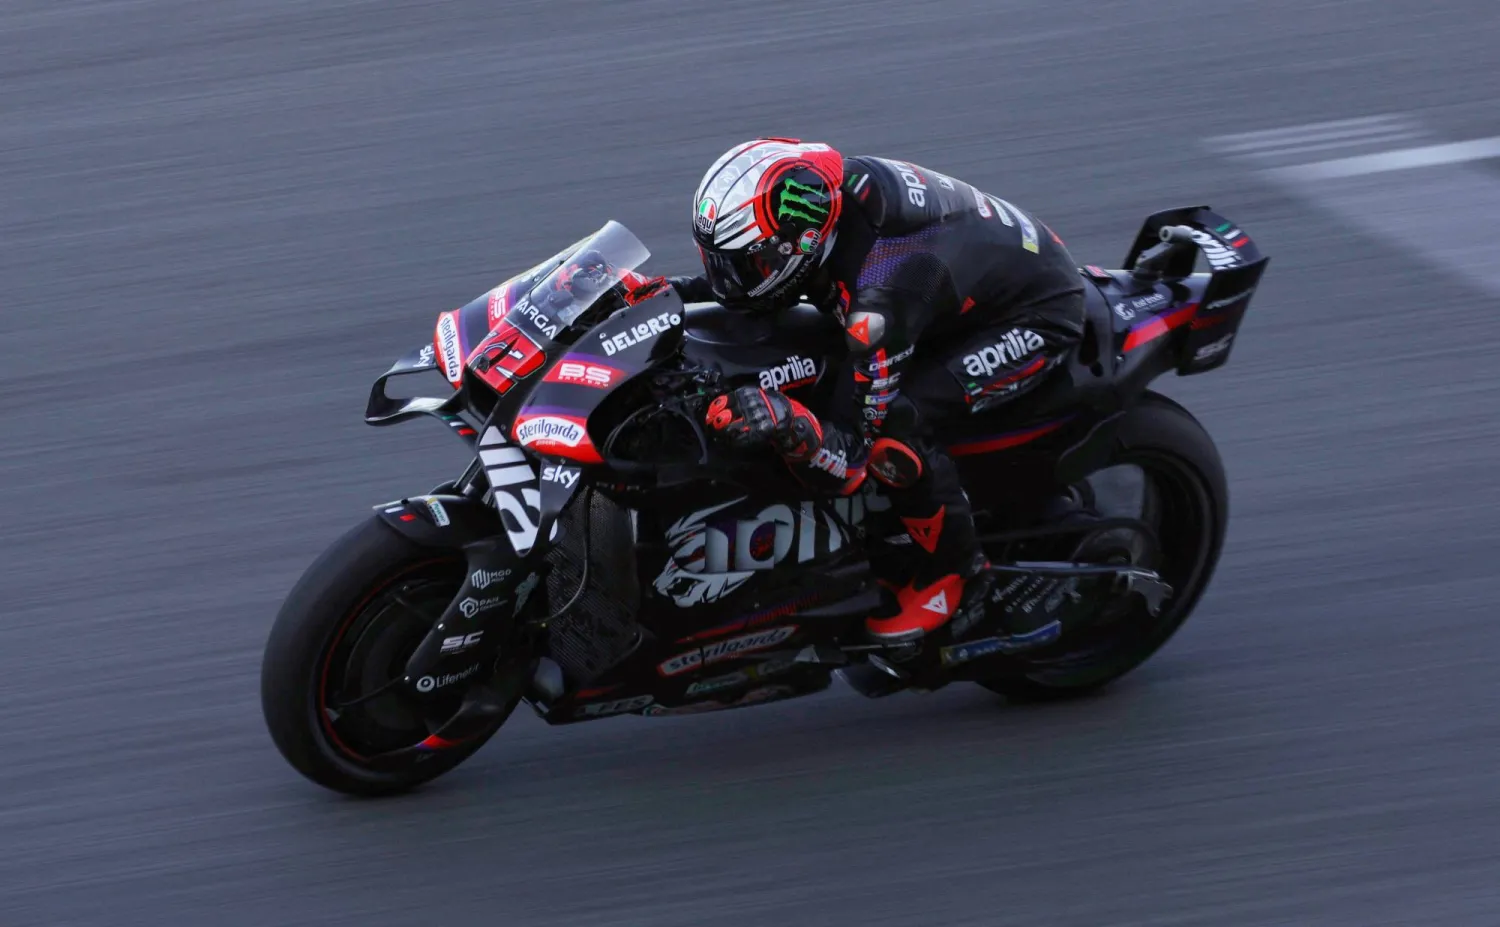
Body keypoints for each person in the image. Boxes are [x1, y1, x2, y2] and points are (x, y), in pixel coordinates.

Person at [651, 138, 1086, 647]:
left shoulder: (876, 305)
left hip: (1032, 315)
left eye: (746, 263)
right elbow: (740, 292)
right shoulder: (817, 203)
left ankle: (954, 574)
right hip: (953, 290)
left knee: (896, 430)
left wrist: (788, 420)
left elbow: (851, 456)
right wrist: (658, 293)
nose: (727, 278)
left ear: (802, 246)